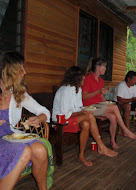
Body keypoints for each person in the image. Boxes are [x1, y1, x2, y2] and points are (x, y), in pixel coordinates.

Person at [0, 51, 51, 190]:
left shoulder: (18, 92)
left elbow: (44, 111)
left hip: (11, 136)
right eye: (21, 68)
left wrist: (39, 118)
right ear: (9, 70)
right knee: (25, 150)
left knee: (40, 149)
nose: (25, 72)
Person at [52, 66, 118, 166]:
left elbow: (79, 107)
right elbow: (65, 115)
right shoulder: (65, 90)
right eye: (82, 77)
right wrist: (83, 113)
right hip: (60, 122)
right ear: (76, 78)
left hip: (72, 118)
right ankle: (101, 147)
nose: (84, 79)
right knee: (89, 117)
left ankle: (81, 155)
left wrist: (84, 111)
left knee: (86, 124)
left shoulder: (77, 89)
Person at [82, 58, 136, 150]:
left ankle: (113, 141)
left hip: (98, 106)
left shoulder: (100, 80)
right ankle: (126, 130)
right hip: (89, 107)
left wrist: (106, 102)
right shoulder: (87, 79)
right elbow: (84, 96)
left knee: (113, 117)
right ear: (98, 67)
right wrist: (98, 91)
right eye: (104, 67)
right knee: (114, 107)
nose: (105, 69)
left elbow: (101, 96)